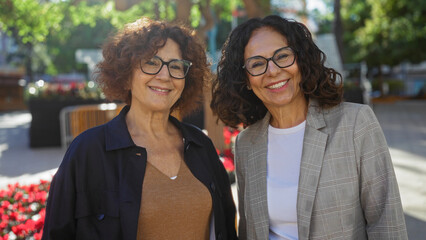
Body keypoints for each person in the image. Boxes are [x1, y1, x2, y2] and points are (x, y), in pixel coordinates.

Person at [211, 15, 407, 240]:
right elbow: (248, 231)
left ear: (300, 60)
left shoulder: (356, 123)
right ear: (245, 79)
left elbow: (387, 223)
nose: (272, 71)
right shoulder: (246, 143)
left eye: (282, 56)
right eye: (257, 64)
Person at [42, 17, 237, 240]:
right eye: (151, 63)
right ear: (125, 75)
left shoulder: (200, 145)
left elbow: (228, 228)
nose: (164, 76)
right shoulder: (88, 151)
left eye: (175, 66)